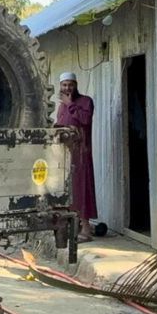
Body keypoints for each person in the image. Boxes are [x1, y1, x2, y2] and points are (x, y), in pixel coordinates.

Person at [55, 72, 97, 241]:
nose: (67, 88)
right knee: (68, 191)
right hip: (65, 155)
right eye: (64, 85)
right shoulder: (61, 106)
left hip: (81, 154)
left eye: (70, 84)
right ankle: (74, 227)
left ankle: (86, 230)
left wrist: (70, 104)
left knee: (83, 190)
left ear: (76, 85)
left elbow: (85, 120)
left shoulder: (85, 101)